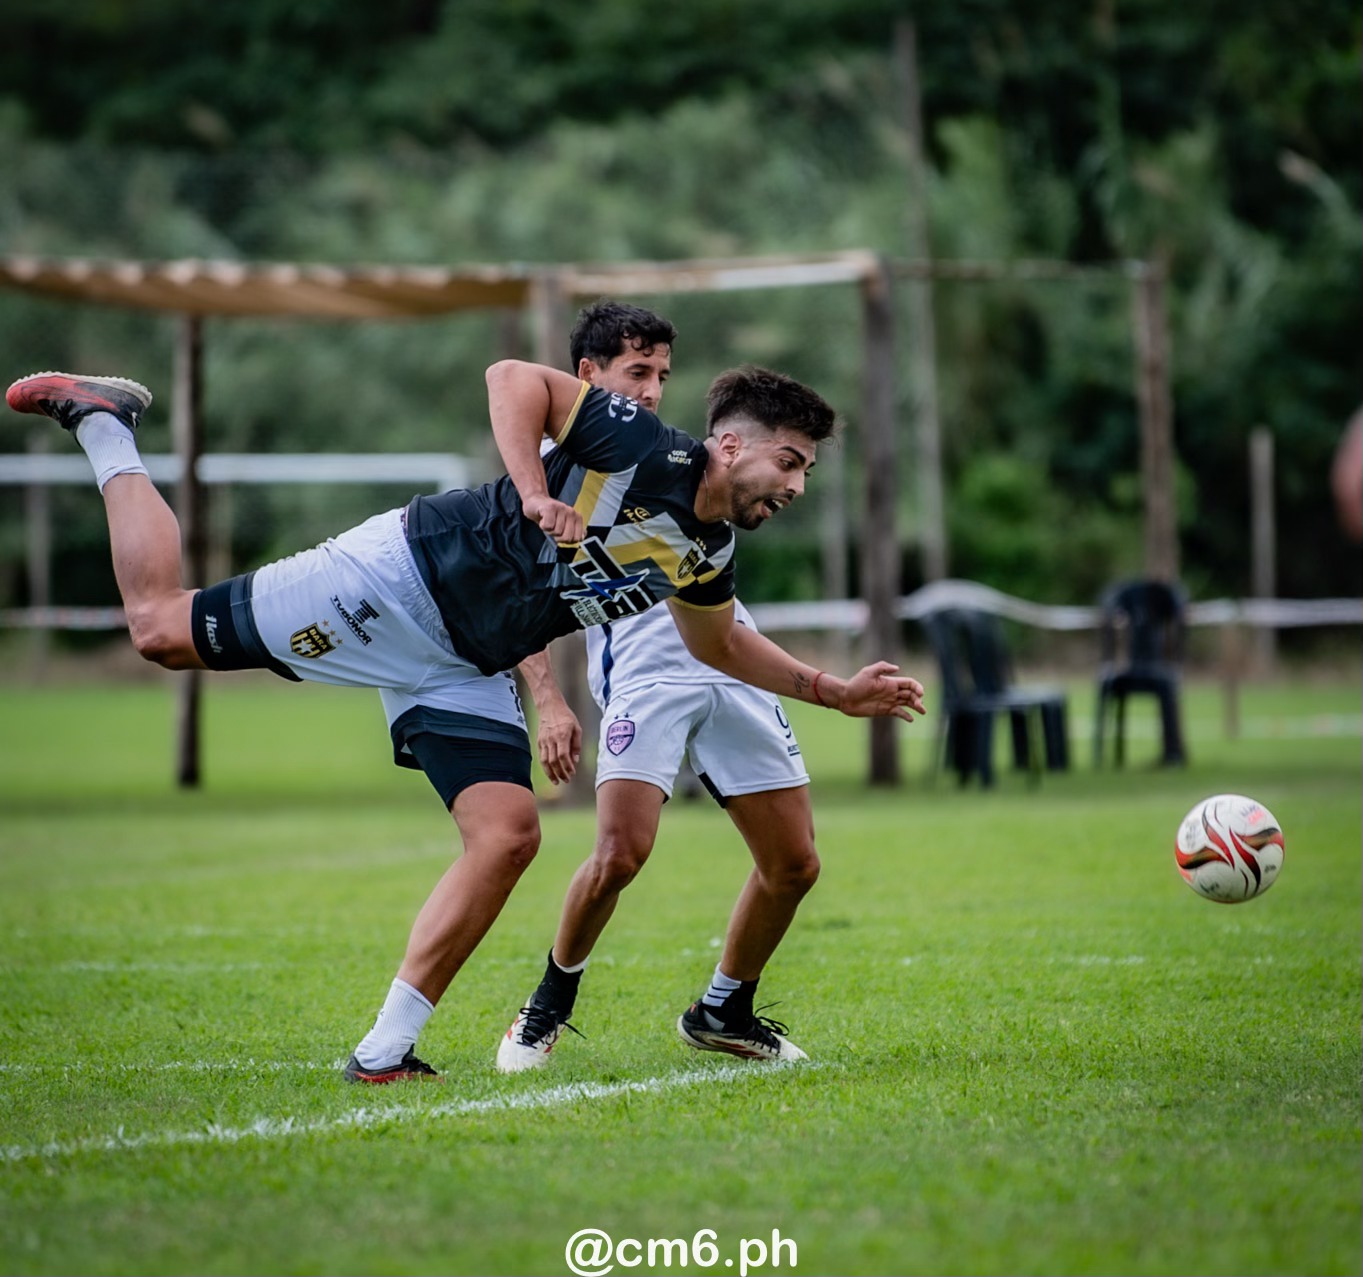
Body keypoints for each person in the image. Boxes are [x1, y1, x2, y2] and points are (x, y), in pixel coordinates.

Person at [6, 361, 925, 1084]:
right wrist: (531, 489)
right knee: (160, 629)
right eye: (789, 462)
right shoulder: (650, 449)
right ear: (728, 444)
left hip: (464, 662)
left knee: (508, 834)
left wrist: (833, 691)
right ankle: (106, 424)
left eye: (806, 470)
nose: (796, 484)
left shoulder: (707, 546)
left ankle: (383, 1053)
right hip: (399, 580)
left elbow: (718, 644)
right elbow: (511, 378)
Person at [503, 300, 826, 1070]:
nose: (650, 391)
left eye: (660, 376)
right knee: (620, 854)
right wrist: (547, 698)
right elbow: (515, 596)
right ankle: (546, 1004)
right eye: (636, 373)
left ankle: (723, 1009)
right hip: (646, 670)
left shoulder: (670, 457)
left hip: (727, 654)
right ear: (587, 376)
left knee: (794, 863)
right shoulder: (551, 470)